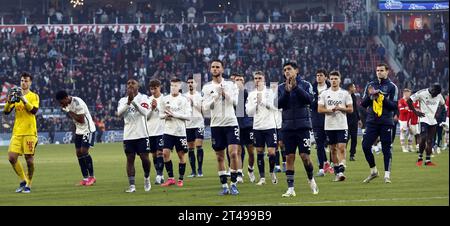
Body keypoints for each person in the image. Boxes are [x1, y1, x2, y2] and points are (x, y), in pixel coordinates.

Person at [277, 62, 319, 197]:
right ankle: (290, 188)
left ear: (296, 70)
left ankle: (311, 179)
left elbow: (310, 100)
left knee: (305, 156)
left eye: (289, 69)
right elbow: (278, 104)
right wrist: (287, 92)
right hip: (287, 127)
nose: (286, 72)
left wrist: (296, 88)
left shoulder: (306, 85)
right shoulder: (281, 87)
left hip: (303, 127)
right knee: (289, 157)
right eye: (284, 70)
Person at [202, 59, 241, 195]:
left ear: (222, 69)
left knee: (234, 153)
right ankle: (224, 185)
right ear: (210, 69)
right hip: (216, 125)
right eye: (213, 67)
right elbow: (205, 107)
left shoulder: (231, 85)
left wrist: (225, 94)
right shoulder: (207, 88)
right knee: (220, 157)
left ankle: (234, 183)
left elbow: (237, 102)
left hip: (231, 123)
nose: (215, 69)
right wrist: (216, 96)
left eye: (217, 67)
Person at [361, 63, 398, 184]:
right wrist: (371, 96)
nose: (379, 72)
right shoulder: (370, 85)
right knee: (365, 146)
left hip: (386, 121)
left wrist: (382, 98)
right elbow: (363, 104)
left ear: (387, 72)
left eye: (382, 70)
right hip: (372, 121)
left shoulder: (392, 87)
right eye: (377, 70)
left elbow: (394, 106)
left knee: (386, 148)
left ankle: (387, 175)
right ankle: (373, 171)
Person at [3, 72, 39, 193]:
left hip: (29, 132)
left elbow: (33, 110)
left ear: (30, 82)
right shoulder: (16, 95)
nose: (23, 83)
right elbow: (6, 111)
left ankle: (29, 183)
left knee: (29, 159)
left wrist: (23, 99)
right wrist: (9, 100)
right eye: (22, 80)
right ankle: (23, 180)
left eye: (26, 81)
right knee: (12, 157)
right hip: (17, 132)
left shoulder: (34, 96)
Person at [117, 78, 152, 193]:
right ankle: (132, 186)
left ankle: (147, 177)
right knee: (130, 159)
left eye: (133, 83)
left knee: (145, 159)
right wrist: (128, 102)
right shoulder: (122, 100)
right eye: (128, 83)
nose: (130, 85)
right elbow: (119, 114)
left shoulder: (144, 98)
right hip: (128, 135)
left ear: (138, 86)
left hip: (142, 134)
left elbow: (145, 112)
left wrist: (134, 102)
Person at [55, 90, 97, 186]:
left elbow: (81, 120)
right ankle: (85, 178)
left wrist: (69, 111)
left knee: (84, 151)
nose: (61, 104)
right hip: (79, 131)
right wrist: (75, 132)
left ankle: (92, 177)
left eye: (62, 102)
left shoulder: (77, 102)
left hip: (88, 129)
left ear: (66, 98)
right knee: (78, 153)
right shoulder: (66, 104)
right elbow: (75, 121)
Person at [318, 71, 353, 182]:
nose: (334, 80)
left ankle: (342, 167)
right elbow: (319, 109)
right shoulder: (324, 94)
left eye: (336, 78)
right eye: (332, 78)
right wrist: (330, 110)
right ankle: (338, 172)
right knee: (333, 149)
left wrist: (340, 108)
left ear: (340, 80)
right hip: (329, 125)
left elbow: (351, 109)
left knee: (342, 147)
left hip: (342, 125)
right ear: (329, 80)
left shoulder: (345, 93)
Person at [246, 71, 279, 185]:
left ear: (264, 80)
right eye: (255, 78)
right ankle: (262, 178)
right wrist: (256, 104)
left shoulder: (270, 92)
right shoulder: (251, 94)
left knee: (272, 153)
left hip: (269, 126)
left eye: (259, 78)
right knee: (259, 152)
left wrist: (263, 101)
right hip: (257, 127)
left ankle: (271, 172)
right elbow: (248, 112)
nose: (257, 80)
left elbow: (275, 107)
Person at [160, 78, 191, 187]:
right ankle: (171, 178)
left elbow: (188, 116)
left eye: (175, 85)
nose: (173, 87)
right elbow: (160, 115)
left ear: (180, 87)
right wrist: (166, 116)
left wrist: (175, 115)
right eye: (172, 85)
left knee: (181, 155)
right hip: (168, 131)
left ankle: (180, 179)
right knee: (165, 153)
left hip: (180, 132)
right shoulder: (164, 99)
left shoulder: (184, 100)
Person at [407, 83, 445, 166]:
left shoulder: (439, 95)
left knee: (430, 140)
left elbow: (443, 105)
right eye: (434, 93)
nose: (435, 95)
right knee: (423, 138)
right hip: (423, 118)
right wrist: (415, 112)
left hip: (433, 120)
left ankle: (428, 160)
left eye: (436, 94)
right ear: (432, 90)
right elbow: (409, 101)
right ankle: (420, 158)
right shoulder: (422, 93)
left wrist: (437, 113)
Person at [311, 68, 333, 176]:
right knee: (319, 144)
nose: (318, 77)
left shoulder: (331, 87)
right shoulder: (312, 88)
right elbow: (311, 104)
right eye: (317, 75)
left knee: (332, 144)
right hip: (317, 119)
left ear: (325, 77)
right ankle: (321, 169)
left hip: (330, 118)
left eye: (320, 75)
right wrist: (318, 99)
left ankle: (332, 165)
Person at [235, 73, 255, 183]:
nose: (238, 81)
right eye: (237, 79)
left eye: (240, 80)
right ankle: (239, 174)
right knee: (238, 151)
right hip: (237, 126)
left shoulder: (247, 93)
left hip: (248, 125)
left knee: (251, 152)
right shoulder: (231, 95)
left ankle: (250, 169)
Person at [185, 76, 205, 178]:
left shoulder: (200, 95)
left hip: (198, 124)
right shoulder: (184, 96)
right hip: (188, 125)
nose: (190, 84)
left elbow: (204, 110)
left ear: (196, 84)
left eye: (192, 82)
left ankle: (200, 169)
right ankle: (193, 171)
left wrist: (193, 103)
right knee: (191, 148)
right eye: (188, 82)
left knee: (198, 145)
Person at [146, 79, 165, 184]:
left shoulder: (164, 99)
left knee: (160, 152)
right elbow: (146, 117)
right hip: (150, 131)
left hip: (161, 130)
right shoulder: (148, 100)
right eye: (151, 89)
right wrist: (152, 109)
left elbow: (165, 113)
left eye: (155, 88)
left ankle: (159, 175)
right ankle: (160, 174)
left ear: (159, 87)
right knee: (153, 155)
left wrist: (157, 107)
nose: (153, 91)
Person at [346, 82, 361, 161]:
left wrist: (358, 119)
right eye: (354, 87)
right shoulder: (345, 96)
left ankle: (352, 154)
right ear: (350, 88)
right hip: (346, 120)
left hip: (354, 120)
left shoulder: (354, 96)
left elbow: (355, 109)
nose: (355, 89)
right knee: (346, 138)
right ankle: (343, 153)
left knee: (354, 138)